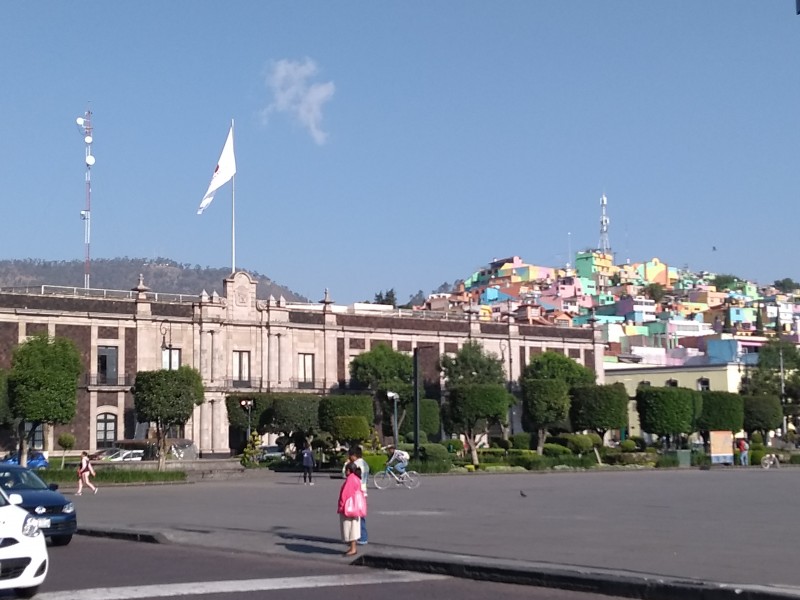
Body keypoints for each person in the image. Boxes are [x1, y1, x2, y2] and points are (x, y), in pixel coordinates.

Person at [337, 462, 366, 557]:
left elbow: (345, 495)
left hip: (349, 507)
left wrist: (341, 506)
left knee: (350, 528)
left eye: (346, 470)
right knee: (354, 527)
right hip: (356, 506)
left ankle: (353, 548)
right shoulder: (357, 478)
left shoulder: (350, 479)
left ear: (348, 470)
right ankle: (353, 547)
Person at [342, 447, 370, 545]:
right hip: (363, 491)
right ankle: (363, 537)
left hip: (355, 492)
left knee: (354, 516)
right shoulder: (365, 464)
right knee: (360, 515)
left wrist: (346, 464)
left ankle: (360, 537)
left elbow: (345, 475)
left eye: (350, 455)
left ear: (354, 455)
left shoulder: (355, 465)